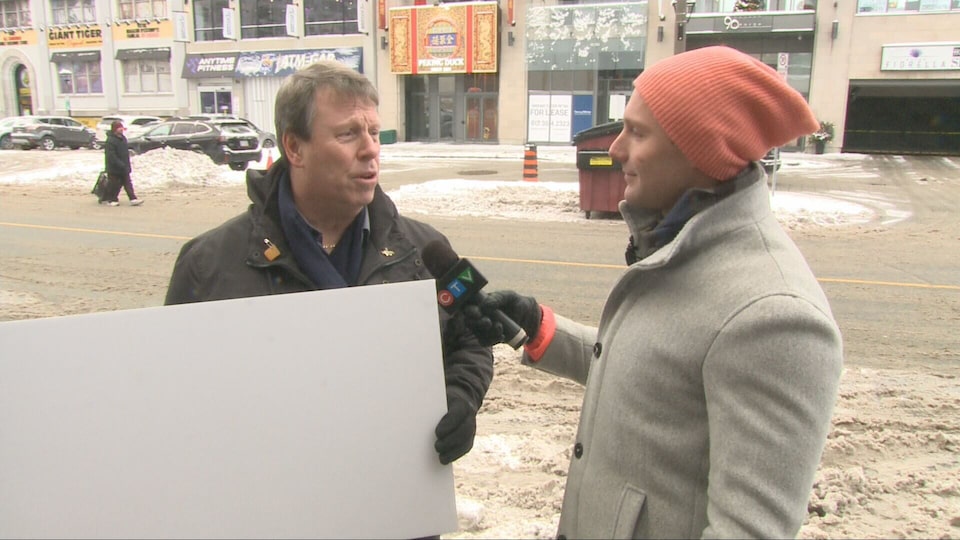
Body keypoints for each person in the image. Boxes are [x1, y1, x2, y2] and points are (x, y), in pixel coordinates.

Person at [464, 46, 844, 538]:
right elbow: (656, 380)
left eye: (637, 133)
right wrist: (537, 328)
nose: (615, 149)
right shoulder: (679, 245)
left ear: (703, 149)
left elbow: (749, 530)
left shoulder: (775, 317)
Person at [164, 61, 493, 466]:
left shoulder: (424, 249)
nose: (371, 148)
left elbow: (473, 337)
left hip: (392, 494)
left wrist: (461, 397)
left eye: (373, 132)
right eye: (348, 133)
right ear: (295, 147)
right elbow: (177, 395)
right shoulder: (209, 264)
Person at [101, 120, 143, 207]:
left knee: (128, 183)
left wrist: (127, 164)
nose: (121, 130)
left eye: (121, 128)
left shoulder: (123, 138)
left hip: (124, 166)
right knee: (114, 184)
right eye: (119, 128)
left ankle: (133, 199)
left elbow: (125, 153)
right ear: (115, 129)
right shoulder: (110, 140)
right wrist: (119, 164)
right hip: (114, 168)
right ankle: (112, 199)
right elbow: (111, 156)